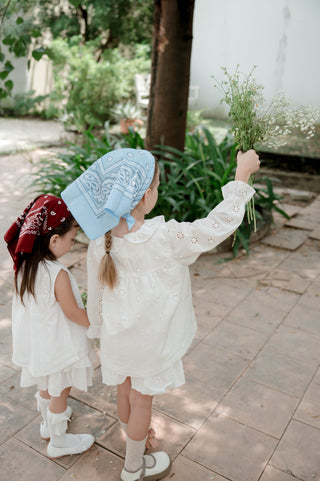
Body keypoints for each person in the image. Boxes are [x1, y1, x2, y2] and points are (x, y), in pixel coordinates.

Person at [61, 147, 260, 481]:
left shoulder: (101, 242)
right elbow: (216, 226)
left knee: (124, 393)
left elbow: (95, 298)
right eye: (156, 185)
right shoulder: (164, 237)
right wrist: (241, 177)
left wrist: (97, 330)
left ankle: (135, 440)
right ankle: (133, 467)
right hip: (149, 343)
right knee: (142, 402)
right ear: (145, 195)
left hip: (118, 339)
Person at [4, 195, 96, 459]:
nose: (71, 243)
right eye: (71, 238)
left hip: (40, 345)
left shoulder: (24, 265)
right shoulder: (57, 274)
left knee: (46, 385)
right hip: (59, 347)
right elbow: (72, 312)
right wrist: (98, 323)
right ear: (54, 240)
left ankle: (48, 423)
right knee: (60, 390)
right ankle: (58, 441)